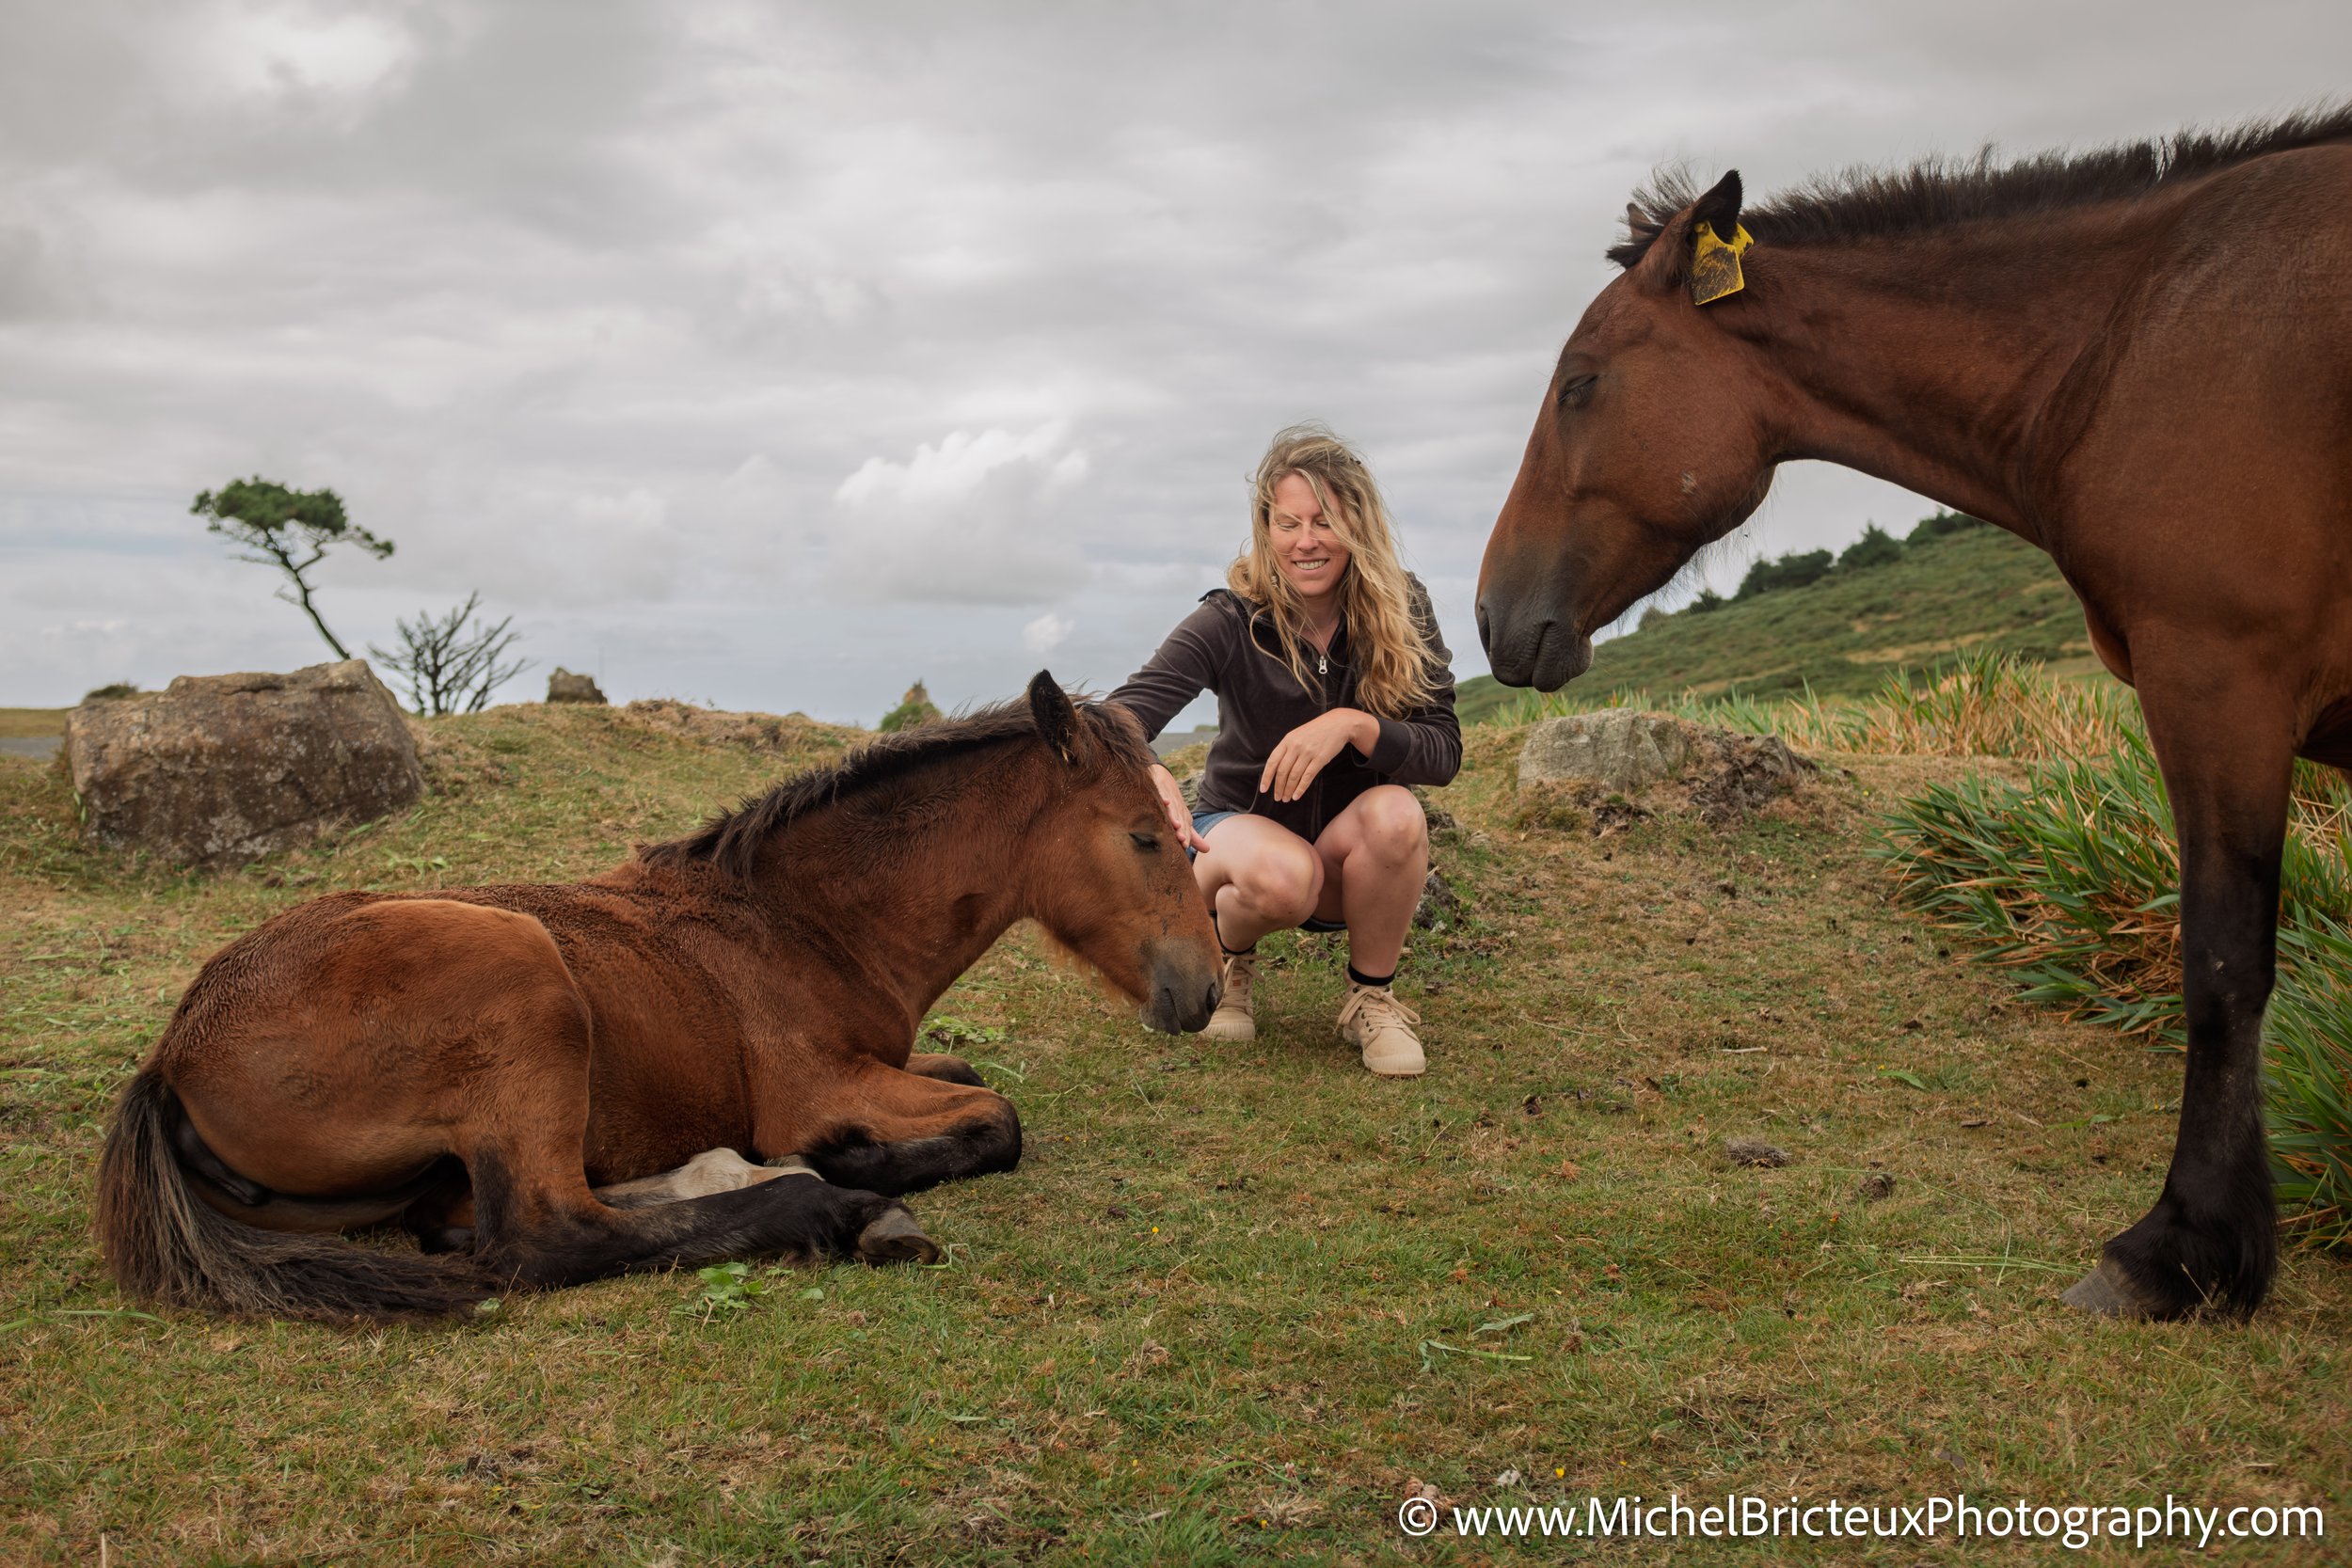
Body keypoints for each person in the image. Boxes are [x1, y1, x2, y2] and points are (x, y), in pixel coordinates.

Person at [1106, 425, 1460, 1077]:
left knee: (1398, 815)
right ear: (1265, 527)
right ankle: (1228, 959)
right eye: (1288, 522)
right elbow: (1116, 717)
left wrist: (1356, 725)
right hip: (1237, 842)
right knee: (1284, 874)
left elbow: (1443, 750)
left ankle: (1371, 1000)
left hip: (1344, 861)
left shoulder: (1403, 607)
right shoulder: (1230, 619)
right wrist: (1149, 768)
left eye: (1324, 521)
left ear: (1357, 523)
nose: (1305, 542)